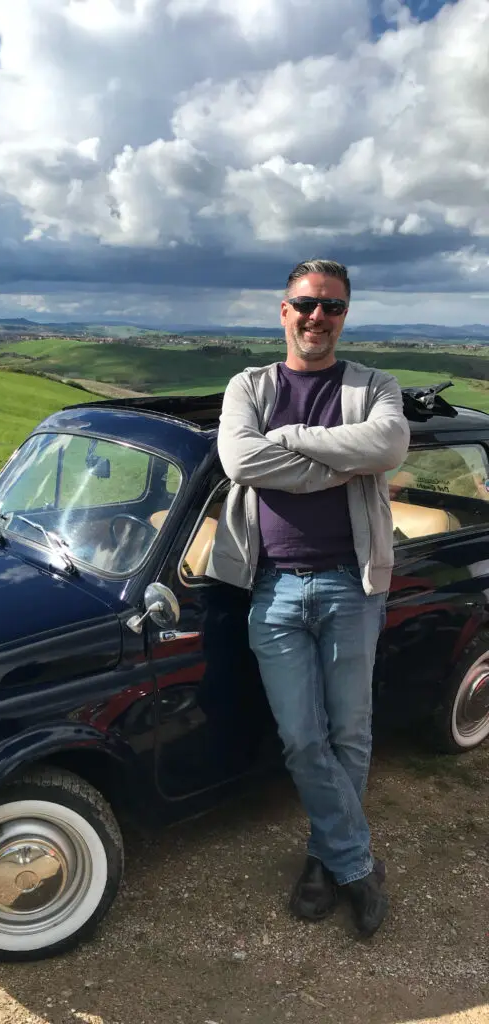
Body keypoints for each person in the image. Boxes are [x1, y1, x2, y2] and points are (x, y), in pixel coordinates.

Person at [207, 258, 410, 939]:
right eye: (305, 304)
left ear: (346, 315)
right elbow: (240, 461)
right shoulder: (249, 386)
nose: (317, 317)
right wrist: (341, 460)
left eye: (332, 307)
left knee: (349, 732)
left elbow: (389, 442)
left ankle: (324, 862)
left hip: (354, 585)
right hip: (274, 588)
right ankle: (357, 864)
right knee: (301, 738)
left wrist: (289, 440)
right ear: (283, 310)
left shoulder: (374, 386)